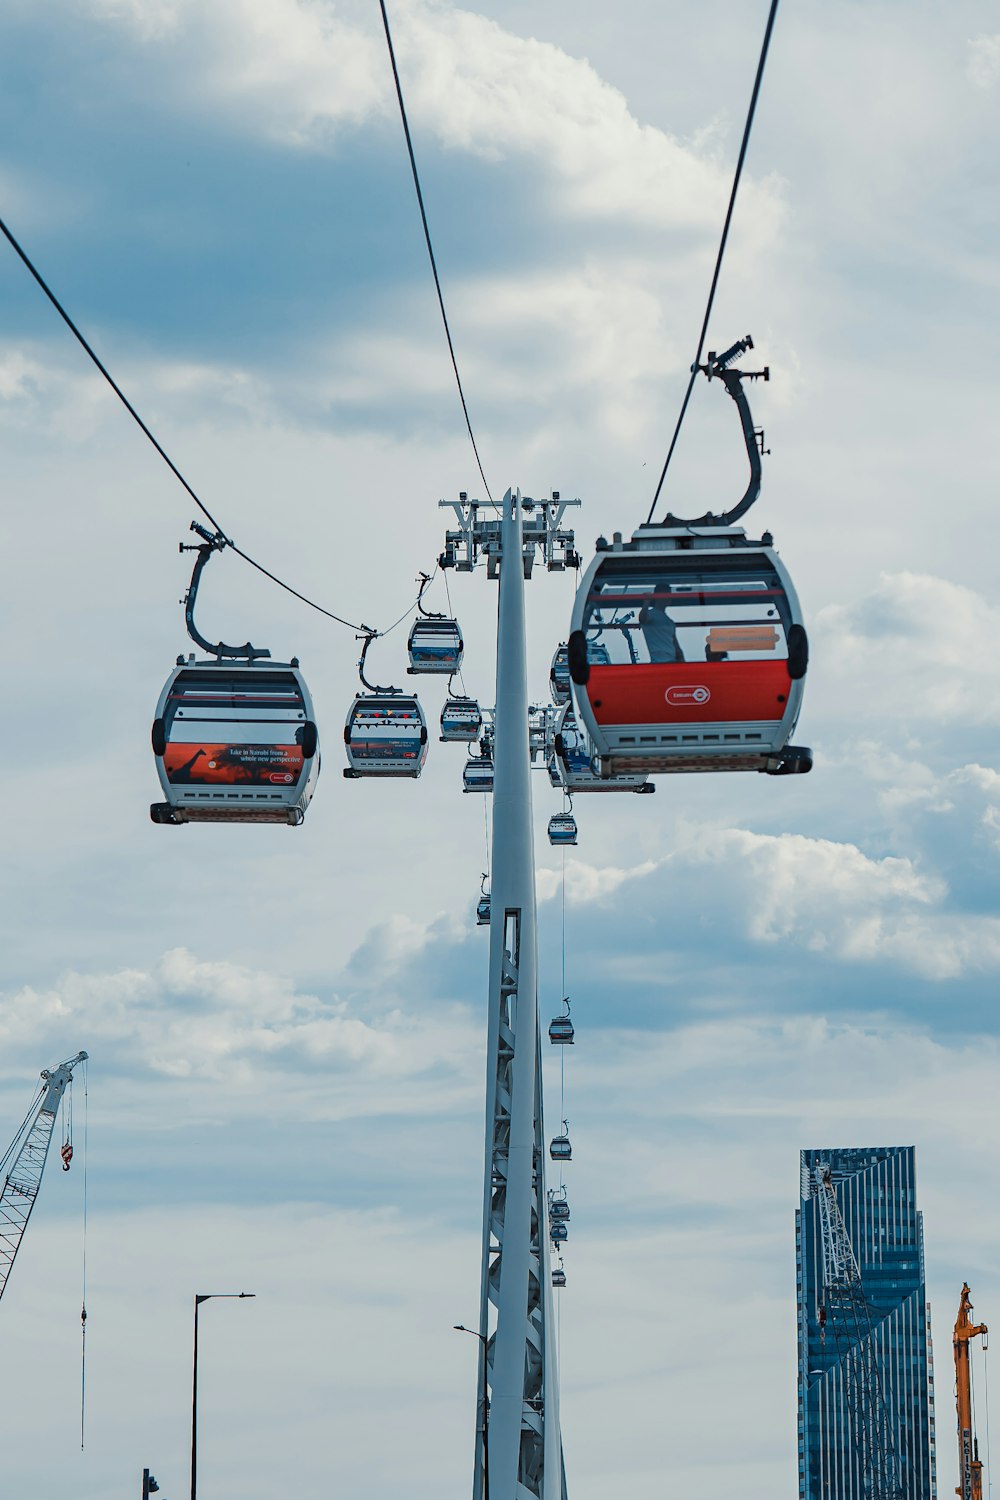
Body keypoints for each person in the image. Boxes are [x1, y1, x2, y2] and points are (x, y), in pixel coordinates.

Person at [638, 598, 684, 663]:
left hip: (672, 661)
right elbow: (642, 619)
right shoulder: (651, 614)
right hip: (658, 661)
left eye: (669, 596)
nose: (668, 599)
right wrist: (646, 602)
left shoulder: (669, 621)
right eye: (665, 596)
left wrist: (682, 661)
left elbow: (675, 644)